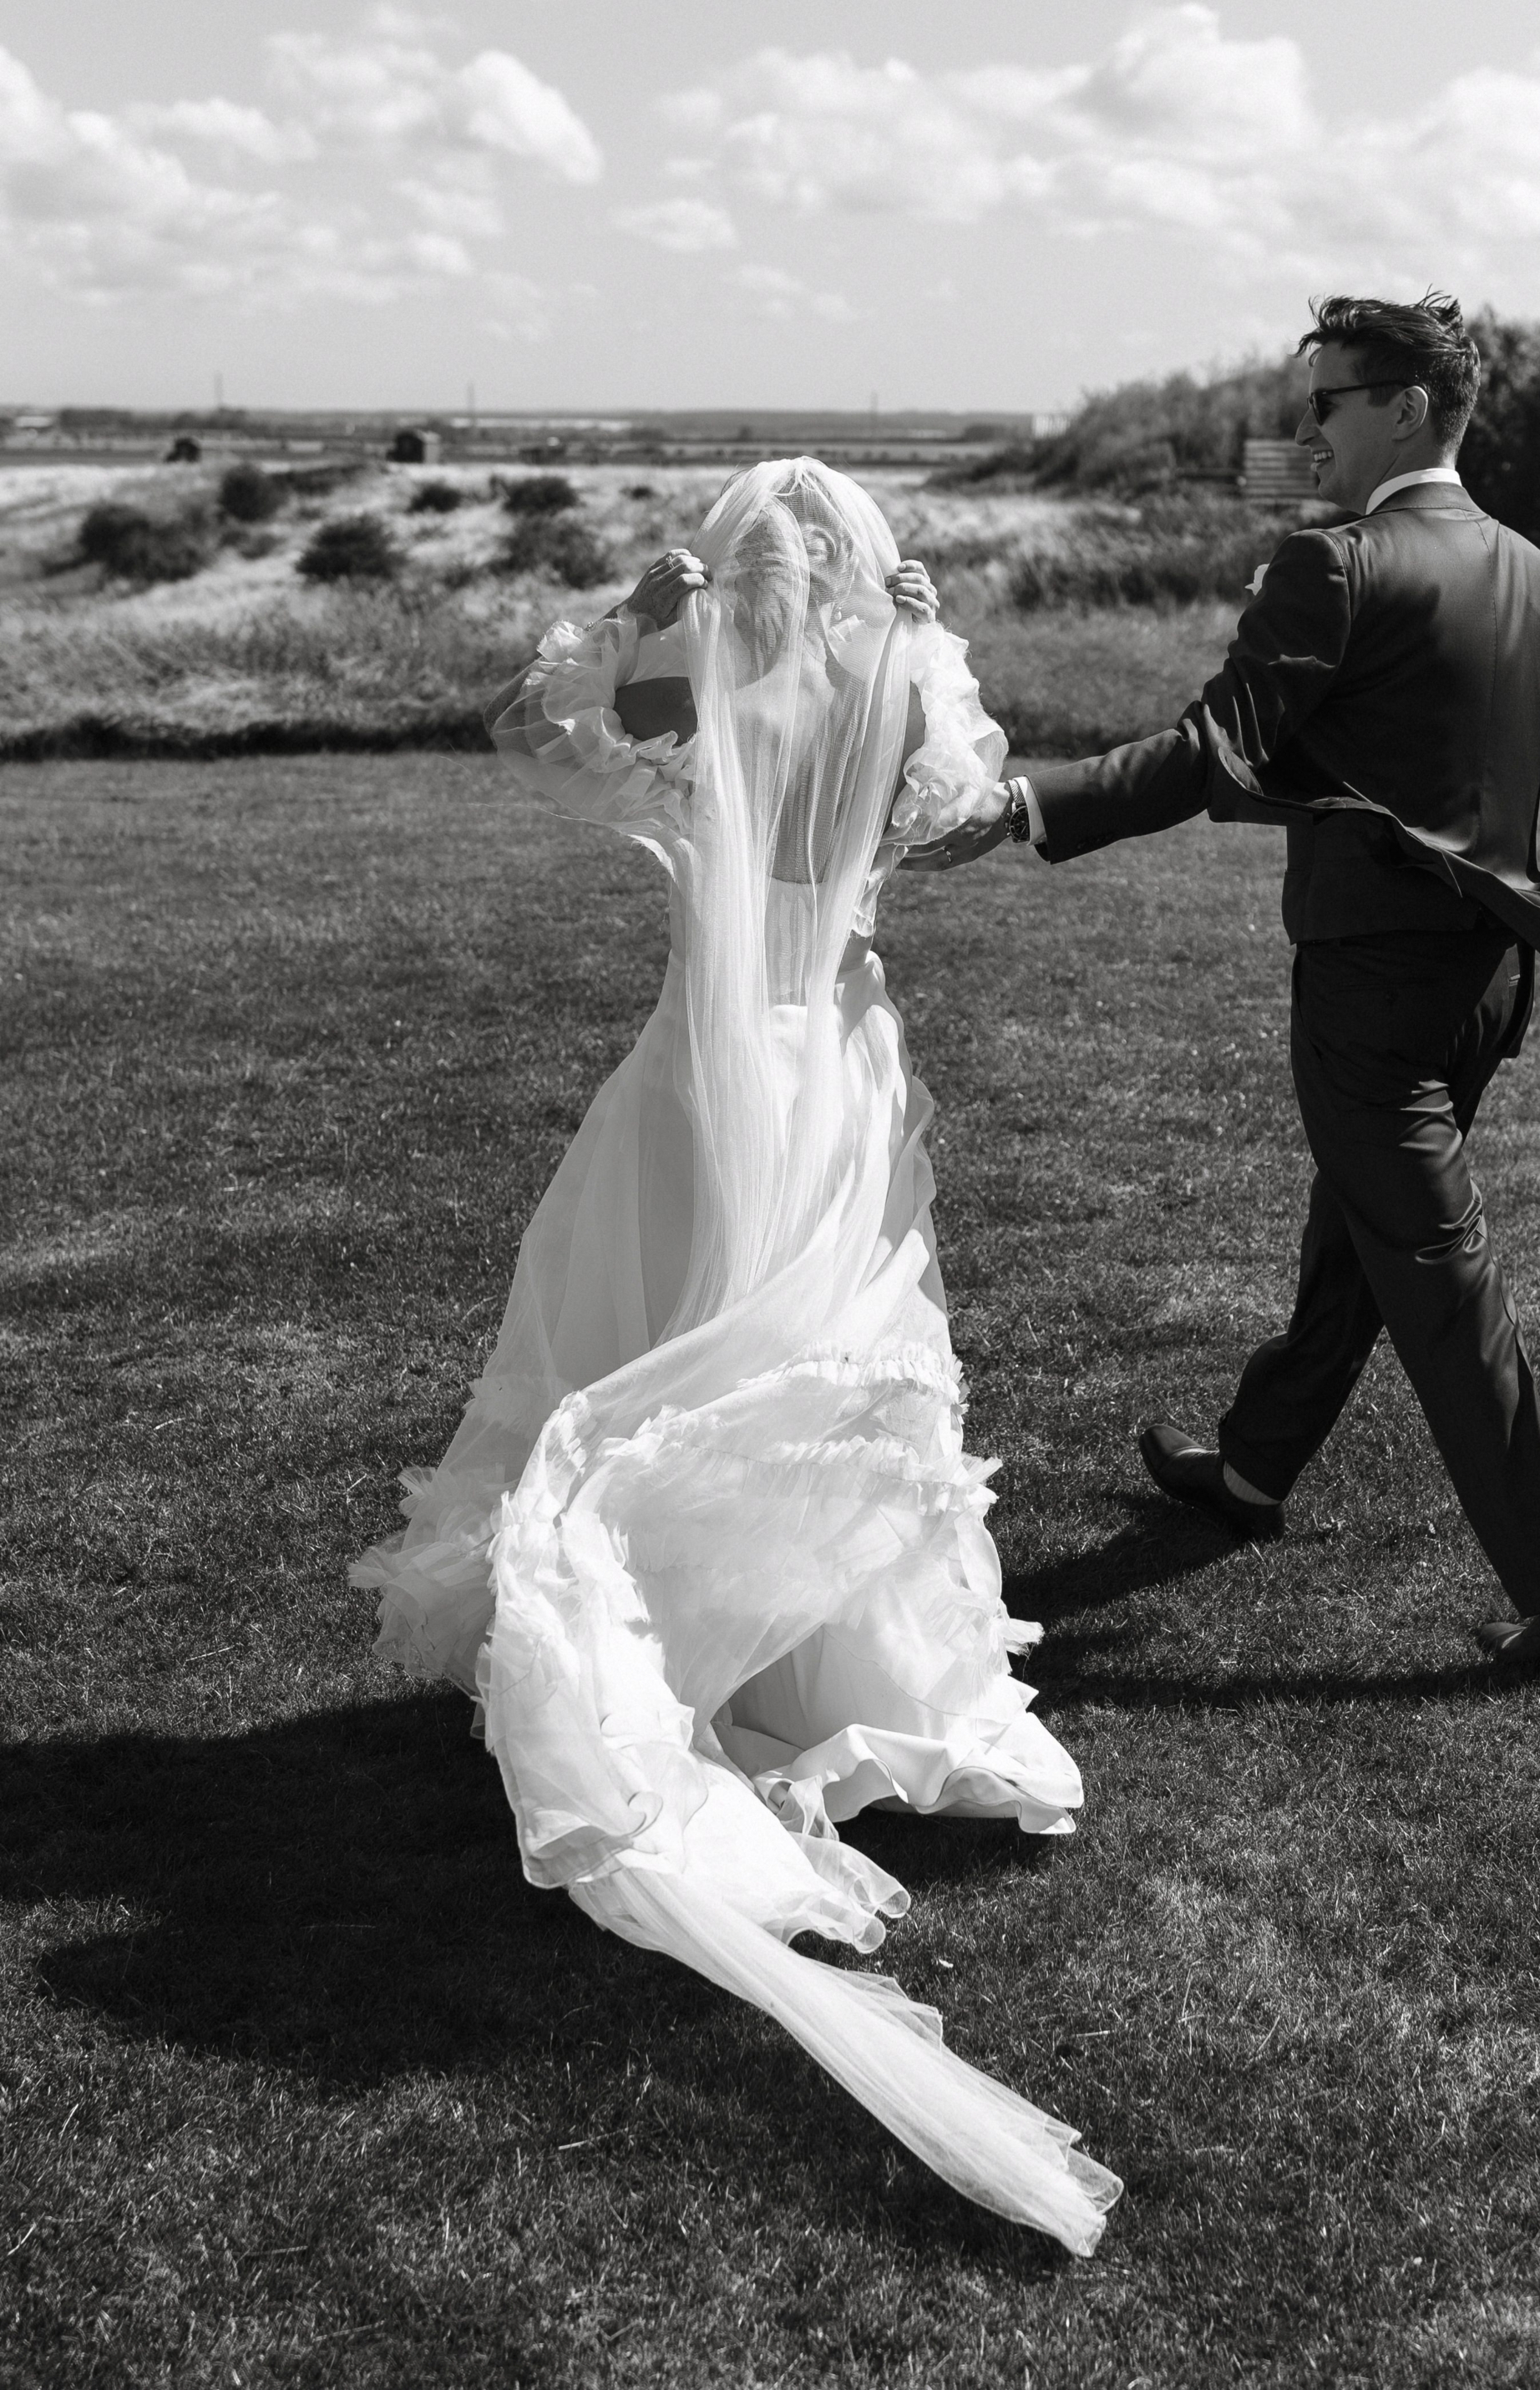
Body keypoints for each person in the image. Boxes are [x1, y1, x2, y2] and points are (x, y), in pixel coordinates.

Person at [352, 458, 1119, 2256]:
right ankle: (826, 1663)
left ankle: (671, 1663)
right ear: (863, 569)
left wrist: (648, 611)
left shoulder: (698, 680)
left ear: (738, 571)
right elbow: (968, 798)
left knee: (662, 1343)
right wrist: (924, 644)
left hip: (710, 1069)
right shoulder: (902, 683)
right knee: (837, 1359)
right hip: (840, 1062)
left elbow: (530, 725)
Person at [909, 292, 1540, 1688]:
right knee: (1362, 1240)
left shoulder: (1334, 564)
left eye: (1325, 402)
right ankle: (1254, 1470)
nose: (1303, 426)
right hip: (1496, 987)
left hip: (1374, 991)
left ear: (1404, 410)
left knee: (1438, 1279)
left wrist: (1032, 804)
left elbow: (1219, 746)